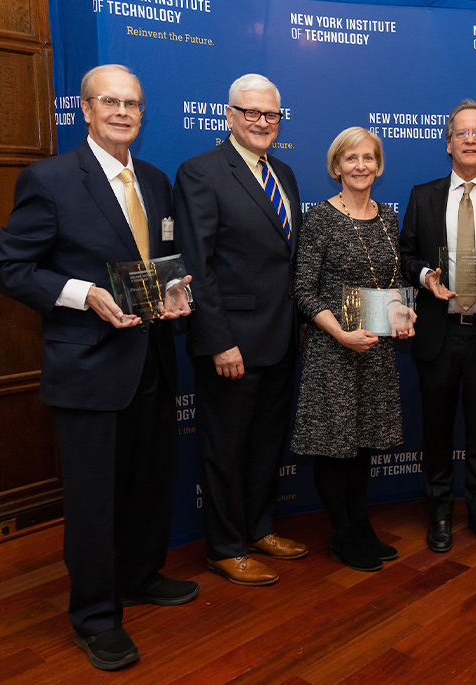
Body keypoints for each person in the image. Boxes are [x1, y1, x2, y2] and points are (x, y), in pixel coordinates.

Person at [0, 64, 197, 671]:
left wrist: (176, 291)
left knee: (147, 483)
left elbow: (155, 264)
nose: (123, 112)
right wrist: (82, 294)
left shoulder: (154, 181)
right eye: (110, 101)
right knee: (94, 500)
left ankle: (139, 576)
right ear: (84, 108)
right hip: (88, 369)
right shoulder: (49, 180)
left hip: (153, 359)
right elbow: (4, 267)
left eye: (133, 102)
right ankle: (96, 617)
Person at [173, 73, 307, 587]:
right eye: (250, 113)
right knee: (225, 449)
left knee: (266, 443)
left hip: (280, 338)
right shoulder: (201, 172)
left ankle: (258, 528)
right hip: (232, 342)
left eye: (270, 114)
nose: (261, 122)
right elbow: (197, 266)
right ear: (229, 115)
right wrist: (219, 340)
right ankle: (224, 547)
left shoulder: (286, 174)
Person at [398, 100, 476, 553]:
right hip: (439, 333)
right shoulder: (423, 195)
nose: (470, 139)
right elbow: (405, 255)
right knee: (435, 431)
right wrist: (424, 278)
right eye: (461, 133)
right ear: (448, 142)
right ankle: (438, 515)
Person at [291, 127, 414, 572]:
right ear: (336, 167)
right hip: (334, 350)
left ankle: (359, 523)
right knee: (334, 445)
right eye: (351, 159)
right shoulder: (322, 218)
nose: (360, 166)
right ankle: (342, 533)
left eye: (368, 158)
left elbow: (393, 280)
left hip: (376, 348)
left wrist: (402, 309)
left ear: (378, 166)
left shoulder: (387, 217)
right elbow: (303, 291)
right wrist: (340, 334)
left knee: (363, 441)